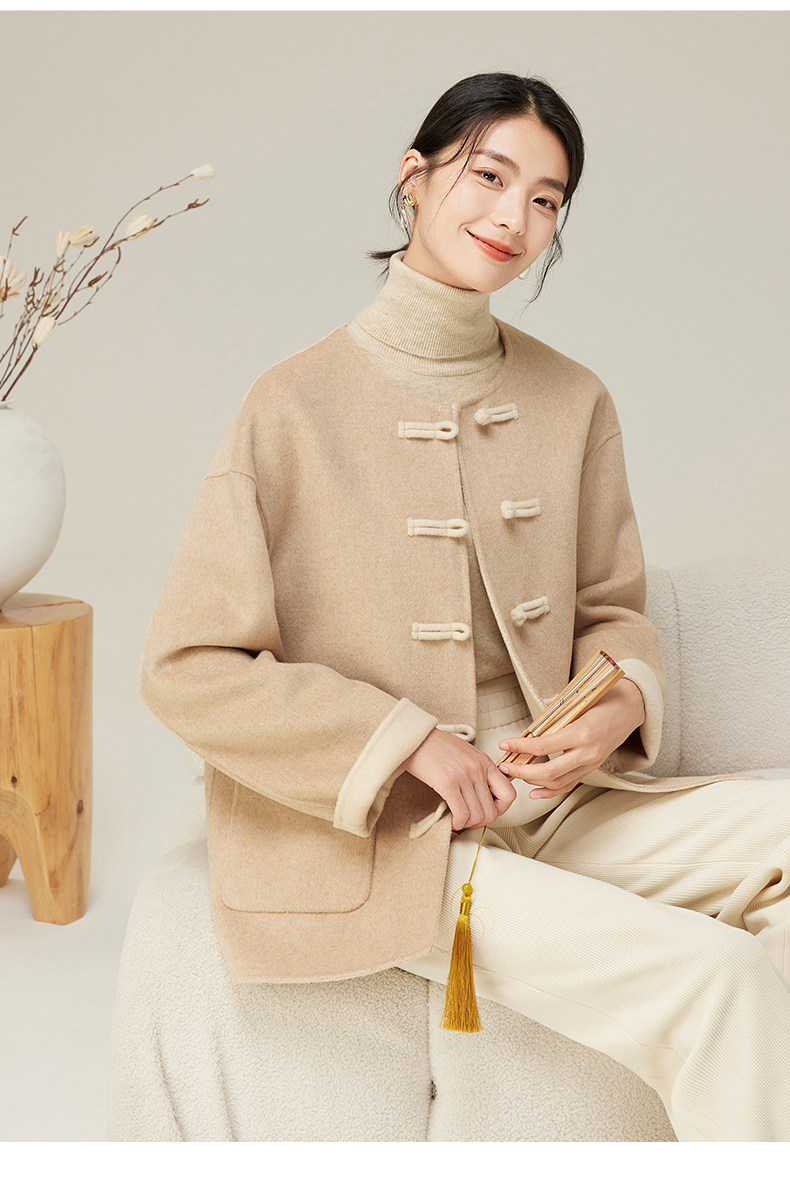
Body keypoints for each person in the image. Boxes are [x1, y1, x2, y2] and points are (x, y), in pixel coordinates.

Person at [139, 72, 790, 1142]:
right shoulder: (290, 407)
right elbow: (188, 667)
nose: (513, 216)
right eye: (488, 175)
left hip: (561, 807)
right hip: (399, 840)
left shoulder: (572, 398)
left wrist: (614, 707)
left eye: (545, 198)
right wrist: (403, 741)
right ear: (414, 176)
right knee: (719, 974)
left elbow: (612, 609)